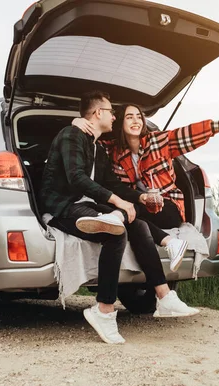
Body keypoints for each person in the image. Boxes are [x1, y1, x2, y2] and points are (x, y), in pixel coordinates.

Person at [40, 91, 198, 345]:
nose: (114, 116)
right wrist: (117, 202)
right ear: (97, 113)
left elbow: (112, 183)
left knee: (135, 221)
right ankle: (103, 310)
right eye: (111, 112)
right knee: (117, 231)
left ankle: (164, 296)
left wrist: (138, 198)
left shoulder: (98, 148)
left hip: (89, 206)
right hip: (63, 208)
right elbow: (76, 178)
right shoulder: (72, 135)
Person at [73, 105, 219, 229]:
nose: (136, 121)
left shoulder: (159, 141)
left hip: (169, 207)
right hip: (140, 204)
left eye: (139, 117)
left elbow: (190, 133)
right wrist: (76, 123)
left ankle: (117, 217)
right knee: (136, 218)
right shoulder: (114, 151)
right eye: (129, 117)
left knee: (135, 212)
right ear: (120, 122)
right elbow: (91, 139)